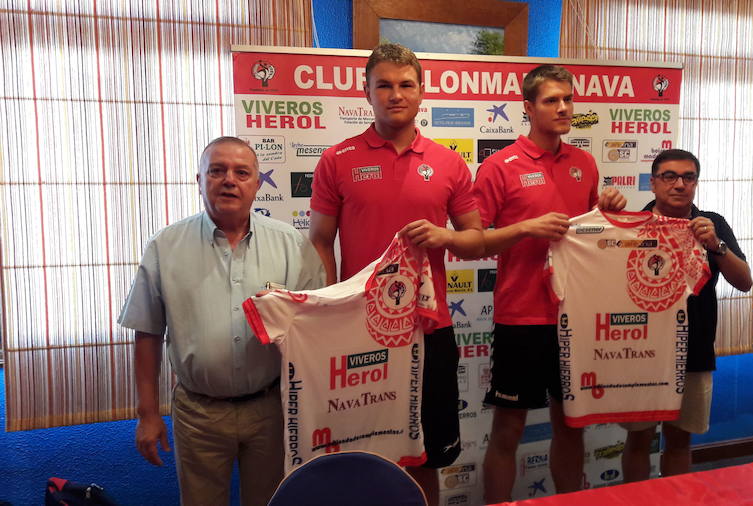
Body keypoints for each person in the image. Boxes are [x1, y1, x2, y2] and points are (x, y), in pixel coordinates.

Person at [308, 43, 484, 505]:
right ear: (366, 92)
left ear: (421, 92)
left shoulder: (448, 162)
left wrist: (446, 238)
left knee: (425, 456)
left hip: (430, 328)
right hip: (359, 329)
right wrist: (334, 302)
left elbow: (476, 238)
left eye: (406, 84)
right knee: (360, 452)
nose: (395, 94)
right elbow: (320, 241)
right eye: (383, 85)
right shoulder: (337, 159)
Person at [118, 137, 323, 506]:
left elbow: (317, 325)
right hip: (199, 414)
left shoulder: (292, 245)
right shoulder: (165, 247)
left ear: (257, 184)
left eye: (242, 172)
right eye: (217, 170)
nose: (229, 180)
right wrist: (147, 414)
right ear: (199, 180)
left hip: (271, 411)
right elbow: (147, 332)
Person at [474, 64, 626, 503]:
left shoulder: (584, 163)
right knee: (508, 428)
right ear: (527, 107)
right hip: (521, 317)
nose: (563, 108)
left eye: (568, 99)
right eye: (551, 100)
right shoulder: (499, 166)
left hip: (574, 317)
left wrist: (610, 208)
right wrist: (526, 228)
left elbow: (598, 238)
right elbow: (472, 242)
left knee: (570, 422)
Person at [620, 148, 753, 481]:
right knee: (639, 440)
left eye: (688, 177)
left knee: (679, 442)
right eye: (669, 176)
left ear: (695, 182)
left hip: (694, 349)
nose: (679, 184)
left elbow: (745, 282)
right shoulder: (633, 226)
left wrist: (716, 245)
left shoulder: (712, 224)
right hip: (641, 351)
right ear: (653, 183)